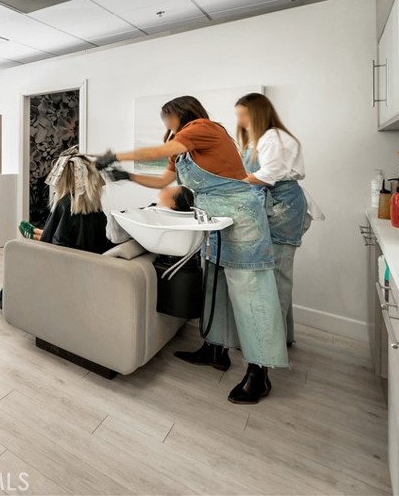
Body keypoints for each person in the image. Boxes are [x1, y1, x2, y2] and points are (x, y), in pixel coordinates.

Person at [99, 95, 287, 405]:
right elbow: (163, 180)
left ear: (180, 114)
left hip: (240, 218)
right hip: (211, 221)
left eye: (167, 118)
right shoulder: (184, 150)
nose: (166, 125)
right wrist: (127, 176)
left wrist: (116, 155)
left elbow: (160, 151)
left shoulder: (204, 128)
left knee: (249, 293)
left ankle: (259, 372)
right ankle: (215, 350)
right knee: (214, 287)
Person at [235, 93, 320, 347]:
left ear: (257, 113)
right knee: (271, 276)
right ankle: (282, 337)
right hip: (271, 206)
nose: (239, 121)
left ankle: (269, 347)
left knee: (278, 276)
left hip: (282, 209)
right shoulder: (258, 140)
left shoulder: (274, 138)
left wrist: (232, 183)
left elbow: (267, 174)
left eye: (243, 115)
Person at [0, 148, 114, 308]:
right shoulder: (96, 208)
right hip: (86, 266)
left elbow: (47, 242)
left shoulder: (64, 205)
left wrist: (35, 238)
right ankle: (4, 297)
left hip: (63, 267)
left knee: (22, 258)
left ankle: (5, 298)